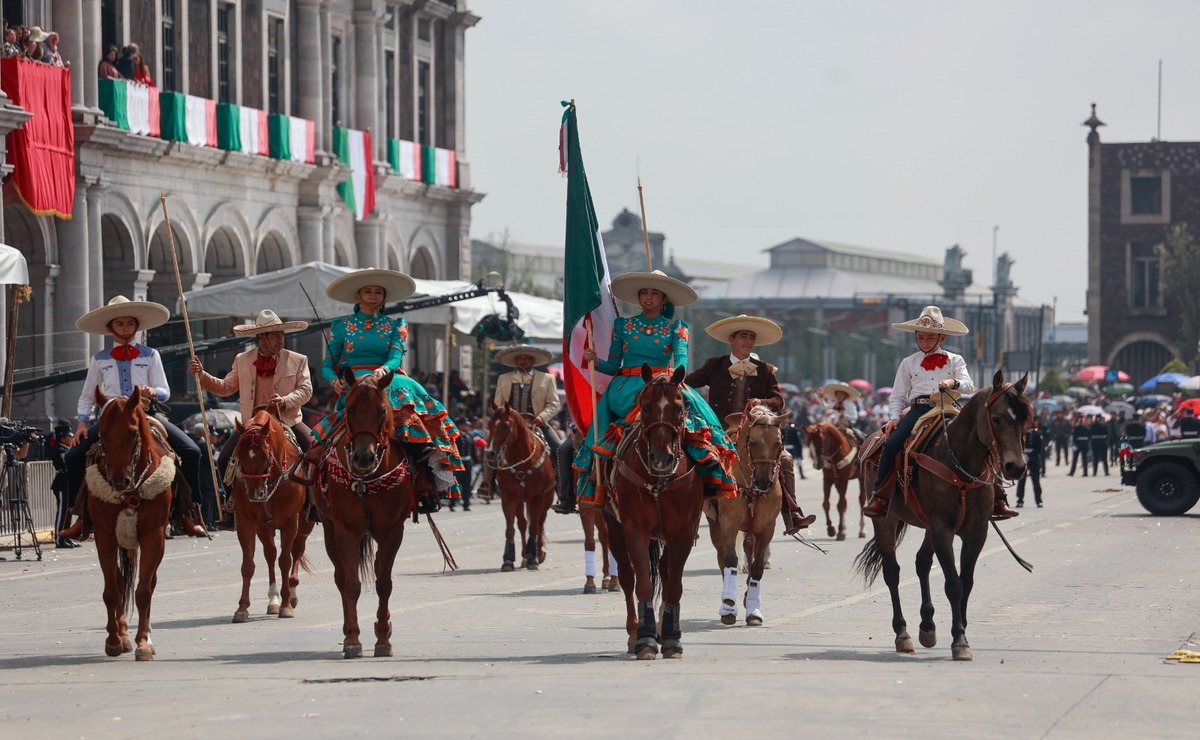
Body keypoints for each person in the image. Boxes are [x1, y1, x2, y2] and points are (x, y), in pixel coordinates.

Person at [300, 268, 464, 513]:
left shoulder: (396, 325)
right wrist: (334, 380)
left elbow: (396, 357)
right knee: (322, 443)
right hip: (353, 383)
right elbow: (327, 364)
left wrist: (382, 372)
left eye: (378, 292)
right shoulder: (341, 326)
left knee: (414, 425)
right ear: (358, 296)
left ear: (384, 297)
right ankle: (318, 494)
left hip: (387, 380)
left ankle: (424, 485)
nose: (373, 296)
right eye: (368, 291)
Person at [572, 270, 737, 506]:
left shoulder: (676, 327)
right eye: (644, 293)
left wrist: (676, 376)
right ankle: (602, 473)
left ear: (664, 300)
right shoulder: (624, 325)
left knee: (691, 414)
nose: (648, 297)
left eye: (655, 293)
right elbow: (612, 365)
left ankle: (706, 467)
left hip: (664, 382)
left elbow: (680, 356)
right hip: (626, 386)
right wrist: (595, 361)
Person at [59, 296, 207, 540]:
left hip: (144, 414)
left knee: (192, 451)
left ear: (136, 326)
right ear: (111, 328)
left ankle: (187, 512)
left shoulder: (151, 355)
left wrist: (152, 391)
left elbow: (165, 391)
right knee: (74, 456)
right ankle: (80, 516)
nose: (125, 328)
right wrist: (83, 423)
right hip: (110, 417)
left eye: (129, 324)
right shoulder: (99, 359)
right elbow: (87, 395)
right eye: (120, 324)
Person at [864, 306, 1017, 520]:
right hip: (919, 410)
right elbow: (897, 395)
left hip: (950, 409)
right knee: (892, 443)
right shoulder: (908, 362)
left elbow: (969, 385)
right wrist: (895, 418)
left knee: (984, 441)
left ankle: (998, 498)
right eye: (921, 337)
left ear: (941, 337)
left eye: (930, 337)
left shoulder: (955, 360)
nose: (925, 342)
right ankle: (880, 496)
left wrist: (953, 382)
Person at [684, 314, 816, 534]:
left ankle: (792, 512)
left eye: (751, 337)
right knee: (693, 456)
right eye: (743, 336)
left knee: (785, 459)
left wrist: (760, 402)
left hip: (754, 431)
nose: (748, 341)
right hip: (720, 430)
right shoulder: (715, 365)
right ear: (732, 340)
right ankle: (691, 513)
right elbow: (688, 382)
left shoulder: (764, 369)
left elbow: (778, 401)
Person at [188, 309, 313, 529]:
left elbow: (306, 390)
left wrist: (284, 400)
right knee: (224, 459)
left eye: (282, 334)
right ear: (261, 337)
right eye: (275, 335)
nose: (281, 338)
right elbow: (226, 387)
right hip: (251, 426)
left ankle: (314, 504)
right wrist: (202, 375)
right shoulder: (242, 359)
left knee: (314, 451)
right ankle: (230, 506)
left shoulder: (298, 359)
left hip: (287, 421)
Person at [479, 343, 566, 508]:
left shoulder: (547, 378)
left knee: (559, 448)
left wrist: (542, 417)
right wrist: (500, 415)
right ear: (515, 361)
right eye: (520, 358)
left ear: (532, 360)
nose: (523, 361)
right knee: (491, 447)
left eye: (526, 358)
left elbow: (553, 404)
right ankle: (487, 484)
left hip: (537, 423)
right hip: (509, 425)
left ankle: (563, 491)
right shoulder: (503, 379)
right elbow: (497, 403)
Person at [47, 420, 79, 548]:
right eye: (69, 436)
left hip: (69, 483)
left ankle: (66, 536)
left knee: (68, 512)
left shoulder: (68, 449)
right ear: (63, 438)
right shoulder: (59, 450)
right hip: (62, 483)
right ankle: (59, 538)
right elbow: (67, 465)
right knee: (62, 511)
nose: (71, 438)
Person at [1016, 423, 1044, 508]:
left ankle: (1039, 500)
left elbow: (1039, 448)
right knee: (1021, 481)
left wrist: (1030, 456)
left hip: (1033, 460)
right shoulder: (1019, 433)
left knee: (1036, 481)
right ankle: (1020, 500)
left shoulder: (1036, 434)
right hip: (1023, 458)